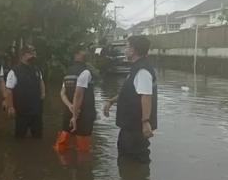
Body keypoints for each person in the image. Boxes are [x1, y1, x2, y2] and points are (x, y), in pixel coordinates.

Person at [103, 35, 158, 163]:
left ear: (133, 50)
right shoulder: (136, 68)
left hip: (135, 129)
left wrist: (145, 122)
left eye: (127, 47)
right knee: (126, 160)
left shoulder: (142, 71)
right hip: (130, 127)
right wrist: (111, 101)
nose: (125, 50)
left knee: (135, 161)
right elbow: (129, 92)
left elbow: (146, 96)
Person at [54, 44, 97, 153]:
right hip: (83, 114)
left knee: (62, 145)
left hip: (68, 112)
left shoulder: (68, 72)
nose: (86, 52)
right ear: (77, 54)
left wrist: (69, 106)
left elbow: (62, 93)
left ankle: (63, 166)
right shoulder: (86, 71)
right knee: (83, 150)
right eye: (84, 50)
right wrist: (75, 114)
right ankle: (82, 167)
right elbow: (79, 94)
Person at [4, 45, 46, 138]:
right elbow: (9, 90)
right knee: (20, 138)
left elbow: (41, 81)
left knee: (38, 137)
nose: (34, 56)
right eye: (31, 54)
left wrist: (43, 94)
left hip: (36, 110)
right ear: (23, 55)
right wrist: (11, 107)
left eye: (34, 53)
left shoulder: (36, 69)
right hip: (22, 111)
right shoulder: (14, 71)